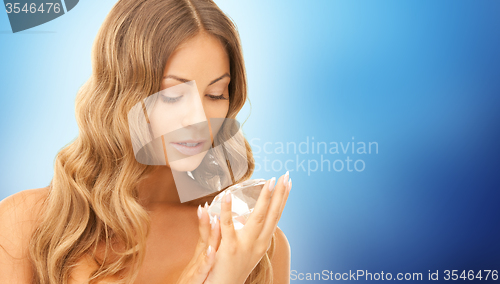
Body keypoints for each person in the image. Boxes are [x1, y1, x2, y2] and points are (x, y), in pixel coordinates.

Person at [0, 0, 292, 283]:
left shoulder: (256, 247)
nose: (198, 119)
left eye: (216, 94)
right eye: (172, 96)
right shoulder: (26, 223)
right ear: (120, 94)